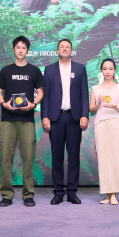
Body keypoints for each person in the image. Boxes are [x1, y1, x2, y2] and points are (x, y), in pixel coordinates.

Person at [0, 36, 45, 207]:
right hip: (7, 120)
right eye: (18, 47)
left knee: (28, 157)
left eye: (23, 47)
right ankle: (6, 195)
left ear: (27, 50)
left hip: (27, 120)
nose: (20, 50)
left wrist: (33, 104)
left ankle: (28, 194)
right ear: (13, 49)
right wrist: (4, 104)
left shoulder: (34, 71)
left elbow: (40, 92)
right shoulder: (6, 70)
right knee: (6, 158)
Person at [42, 39, 89, 205]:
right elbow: (45, 96)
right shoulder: (49, 69)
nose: (64, 49)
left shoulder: (80, 68)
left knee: (74, 156)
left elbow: (84, 94)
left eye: (67, 47)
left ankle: (72, 192)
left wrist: (85, 115)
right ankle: (58, 192)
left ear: (71, 51)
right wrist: (44, 116)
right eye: (61, 46)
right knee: (57, 156)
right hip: (56, 118)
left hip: (74, 118)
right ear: (57, 50)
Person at [88, 58, 119, 205]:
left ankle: (114, 194)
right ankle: (108, 193)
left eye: (110, 69)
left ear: (115, 70)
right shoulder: (95, 88)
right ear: (101, 71)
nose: (108, 71)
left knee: (116, 157)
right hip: (101, 124)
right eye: (105, 69)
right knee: (104, 158)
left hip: (115, 123)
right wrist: (98, 103)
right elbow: (91, 109)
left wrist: (116, 108)